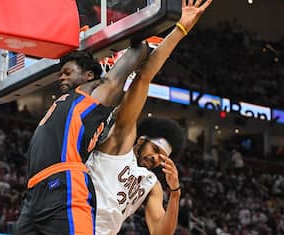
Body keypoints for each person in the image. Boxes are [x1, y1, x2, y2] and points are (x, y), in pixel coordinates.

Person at [85, 0, 212, 234]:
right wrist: (180, 30)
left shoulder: (150, 183)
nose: (156, 160)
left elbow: (160, 232)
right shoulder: (122, 139)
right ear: (142, 139)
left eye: (162, 159)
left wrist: (175, 193)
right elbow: (143, 78)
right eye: (156, 151)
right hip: (74, 223)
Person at [15, 38, 150, 233]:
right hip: (34, 191)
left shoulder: (91, 93)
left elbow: (114, 79)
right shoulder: (67, 99)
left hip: (65, 184)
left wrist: (142, 41)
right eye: (60, 74)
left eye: (67, 73)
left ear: (88, 76)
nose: (61, 77)